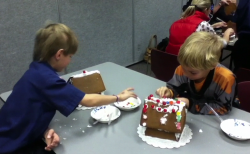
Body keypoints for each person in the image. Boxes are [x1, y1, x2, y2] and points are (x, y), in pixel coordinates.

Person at [0, 23, 137, 154]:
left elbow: (28, 112)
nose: (71, 60)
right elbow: (87, 100)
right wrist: (118, 97)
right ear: (59, 55)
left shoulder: (36, 70)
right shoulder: (47, 80)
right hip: (12, 146)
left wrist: (44, 129)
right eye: (70, 56)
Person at [158, 32, 236, 115]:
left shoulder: (226, 79)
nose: (186, 74)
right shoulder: (183, 69)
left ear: (212, 66)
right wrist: (170, 92)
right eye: (183, 68)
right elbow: (174, 87)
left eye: (193, 72)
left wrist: (190, 104)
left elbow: (223, 107)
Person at [166, 0, 234, 55]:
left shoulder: (175, 23)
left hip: (173, 63)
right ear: (206, 9)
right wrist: (227, 33)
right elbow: (220, 45)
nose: (211, 11)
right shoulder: (203, 25)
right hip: (190, 64)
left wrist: (212, 26)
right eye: (210, 9)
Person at [231, 0, 250, 71]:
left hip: (242, 44)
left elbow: (234, 23)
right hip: (243, 41)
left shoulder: (244, 2)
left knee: (240, 72)